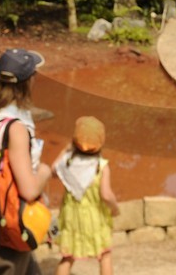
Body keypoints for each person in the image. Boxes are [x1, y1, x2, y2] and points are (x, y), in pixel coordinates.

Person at [0, 48, 54, 275]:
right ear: (27, 82)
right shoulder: (16, 128)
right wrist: (45, 171)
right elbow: (28, 190)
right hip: (8, 225)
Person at [52, 115, 120, 275]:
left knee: (67, 257)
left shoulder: (67, 162)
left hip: (71, 218)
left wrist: (65, 150)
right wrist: (115, 208)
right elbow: (106, 195)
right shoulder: (101, 166)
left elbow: (53, 170)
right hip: (95, 219)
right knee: (105, 254)